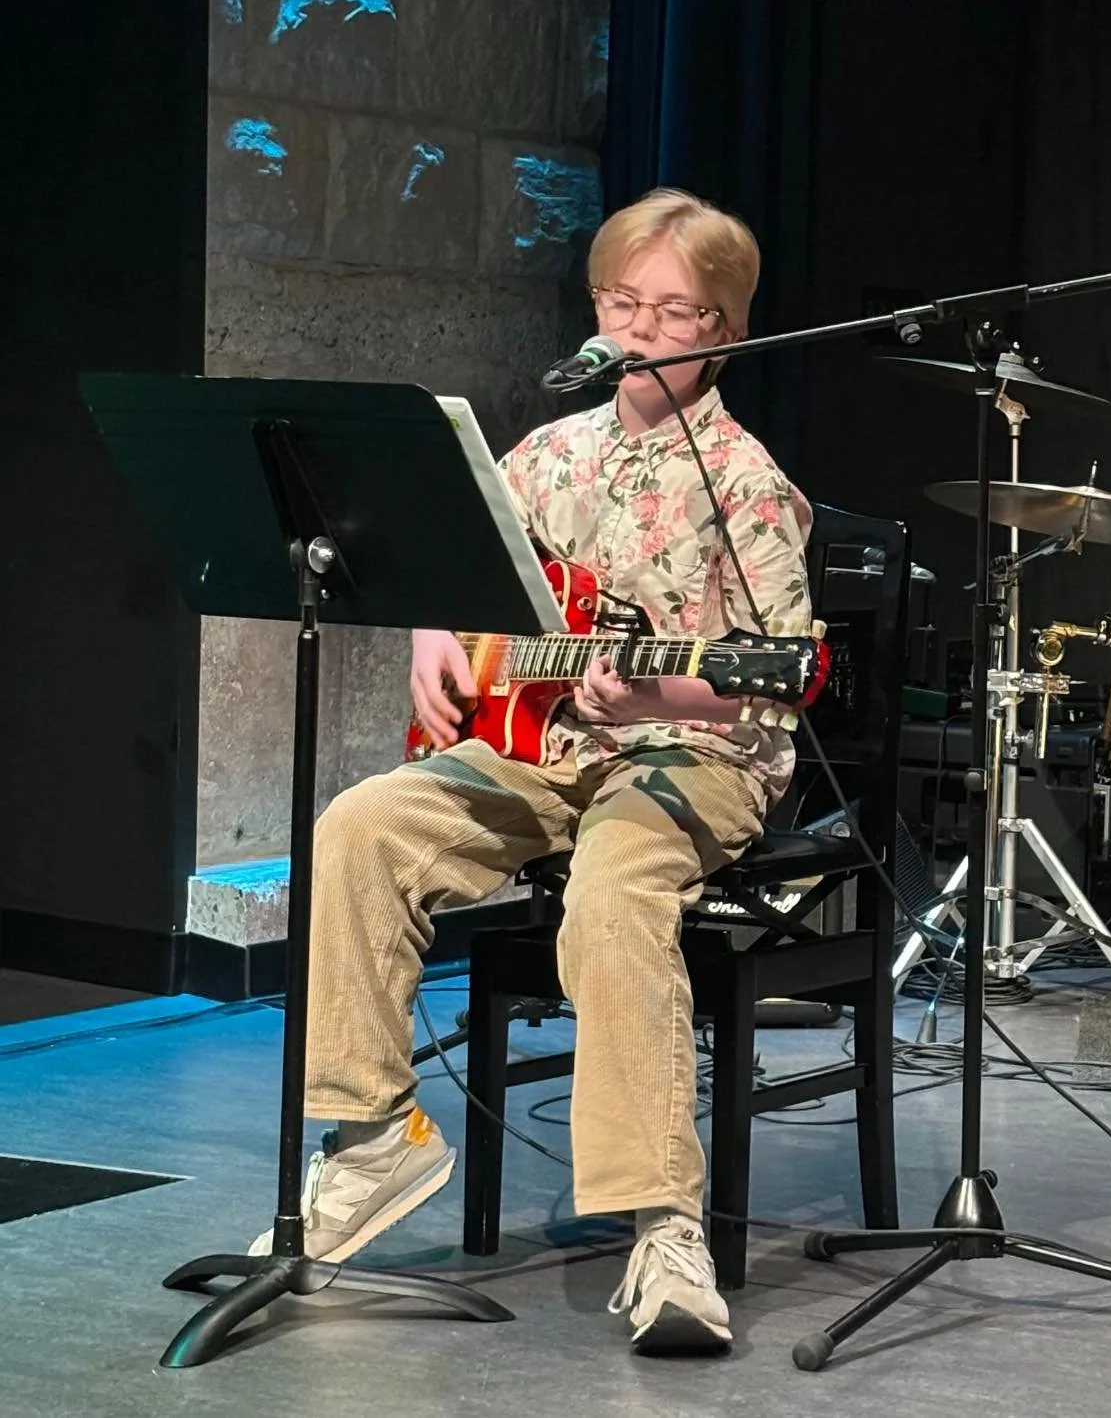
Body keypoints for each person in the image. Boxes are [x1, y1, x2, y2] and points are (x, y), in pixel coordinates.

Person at [250, 187, 814, 1355]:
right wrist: (432, 637)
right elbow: (453, 570)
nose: (642, 327)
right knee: (358, 828)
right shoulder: (549, 448)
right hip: (539, 748)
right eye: (624, 301)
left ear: (722, 328)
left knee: (612, 902)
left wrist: (655, 691)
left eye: (673, 311)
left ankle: (665, 1226)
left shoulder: (746, 482)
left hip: (693, 755)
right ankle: (369, 1140)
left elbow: (781, 673)